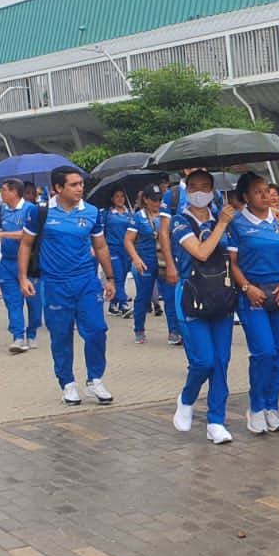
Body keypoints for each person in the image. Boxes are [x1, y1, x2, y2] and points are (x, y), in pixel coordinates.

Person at [18, 166, 114, 406]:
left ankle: (95, 380)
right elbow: (26, 244)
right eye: (73, 185)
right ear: (58, 188)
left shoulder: (92, 212)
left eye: (81, 184)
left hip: (87, 282)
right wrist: (22, 277)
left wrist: (110, 278)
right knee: (61, 335)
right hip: (55, 284)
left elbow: (100, 246)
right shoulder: (40, 212)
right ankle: (67, 383)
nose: (80, 188)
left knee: (97, 330)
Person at [168, 171, 238, 443]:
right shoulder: (179, 221)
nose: (200, 192)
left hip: (221, 296)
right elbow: (200, 252)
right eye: (194, 187)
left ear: (213, 190)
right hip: (191, 296)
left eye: (205, 187)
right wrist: (220, 225)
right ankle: (186, 398)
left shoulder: (224, 216)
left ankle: (216, 421)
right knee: (203, 361)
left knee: (221, 362)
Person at [228, 173, 279, 434]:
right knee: (264, 352)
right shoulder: (236, 224)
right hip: (253, 296)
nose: (266, 195)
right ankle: (256, 407)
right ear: (245, 196)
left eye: (267, 190)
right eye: (258, 192)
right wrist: (247, 287)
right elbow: (232, 264)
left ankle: (271, 406)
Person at [0, 179, 41, 353]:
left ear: (14, 192)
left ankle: (31, 333)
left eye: (3, 190)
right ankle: (18, 336)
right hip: (7, 263)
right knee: (13, 301)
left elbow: (26, 234)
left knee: (34, 303)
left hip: (29, 263)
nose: (1, 193)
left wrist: (1, 234)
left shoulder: (30, 209)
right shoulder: (2, 210)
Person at [125, 190, 180, 346]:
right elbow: (128, 241)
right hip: (146, 262)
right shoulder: (138, 217)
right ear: (146, 200)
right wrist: (136, 259)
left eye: (159, 199)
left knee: (170, 297)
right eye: (154, 199)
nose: (157, 203)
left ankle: (174, 332)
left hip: (164, 261)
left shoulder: (166, 215)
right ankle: (139, 329)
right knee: (143, 297)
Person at [103, 188, 134, 317]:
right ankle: (123, 304)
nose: (120, 199)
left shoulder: (130, 213)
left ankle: (113, 305)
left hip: (127, 250)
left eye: (122, 196)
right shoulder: (107, 213)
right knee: (118, 276)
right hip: (113, 249)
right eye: (117, 196)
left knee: (122, 276)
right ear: (112, 199)